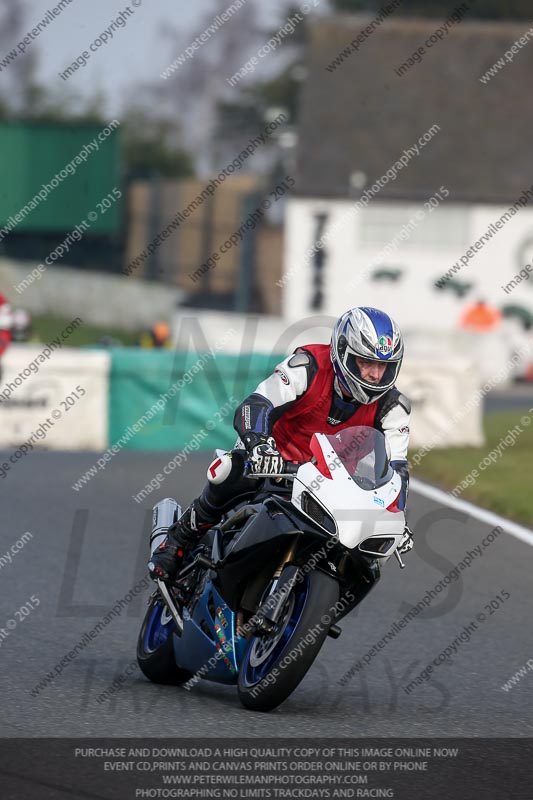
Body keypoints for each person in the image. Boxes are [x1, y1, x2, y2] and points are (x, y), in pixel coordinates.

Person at [148, 307, 413, 582]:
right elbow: (256, 404)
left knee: (367, 560)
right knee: (229, 470)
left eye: (384, 366)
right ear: (343, 353)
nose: (374, 375)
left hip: (332, 484)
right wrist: (260, 445)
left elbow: (398, 470)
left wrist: (397, 515)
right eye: (365, 363)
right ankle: (178, 540)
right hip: (273, 461)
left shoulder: (394, 407)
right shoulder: (307, 365)